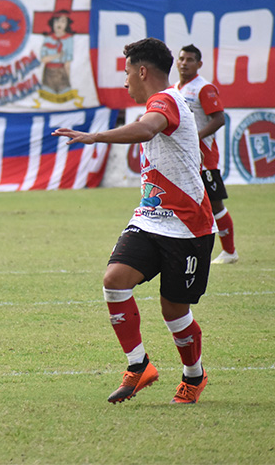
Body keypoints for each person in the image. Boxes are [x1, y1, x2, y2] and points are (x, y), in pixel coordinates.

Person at [53, 37, 216, 405]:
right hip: (149, 219)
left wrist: (94, 136)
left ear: (142, 71)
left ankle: (194, 375)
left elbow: (146, 129)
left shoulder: (165, 101)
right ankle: (139, 364)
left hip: (187, 227)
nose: (124, 79)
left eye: (126, 71)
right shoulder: (159, 102)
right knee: (114, 280)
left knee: (174, 310)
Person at [175, 44, 238, 265]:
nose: (184, 63)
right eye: (181, 58)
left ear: (199, 64)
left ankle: (230, 252)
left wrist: (195, 137)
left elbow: (219, 119)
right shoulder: (175, 89)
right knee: (187, 204)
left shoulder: (204, 88)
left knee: (215, 205)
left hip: (205, 159)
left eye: (189, 59)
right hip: (184, 158)